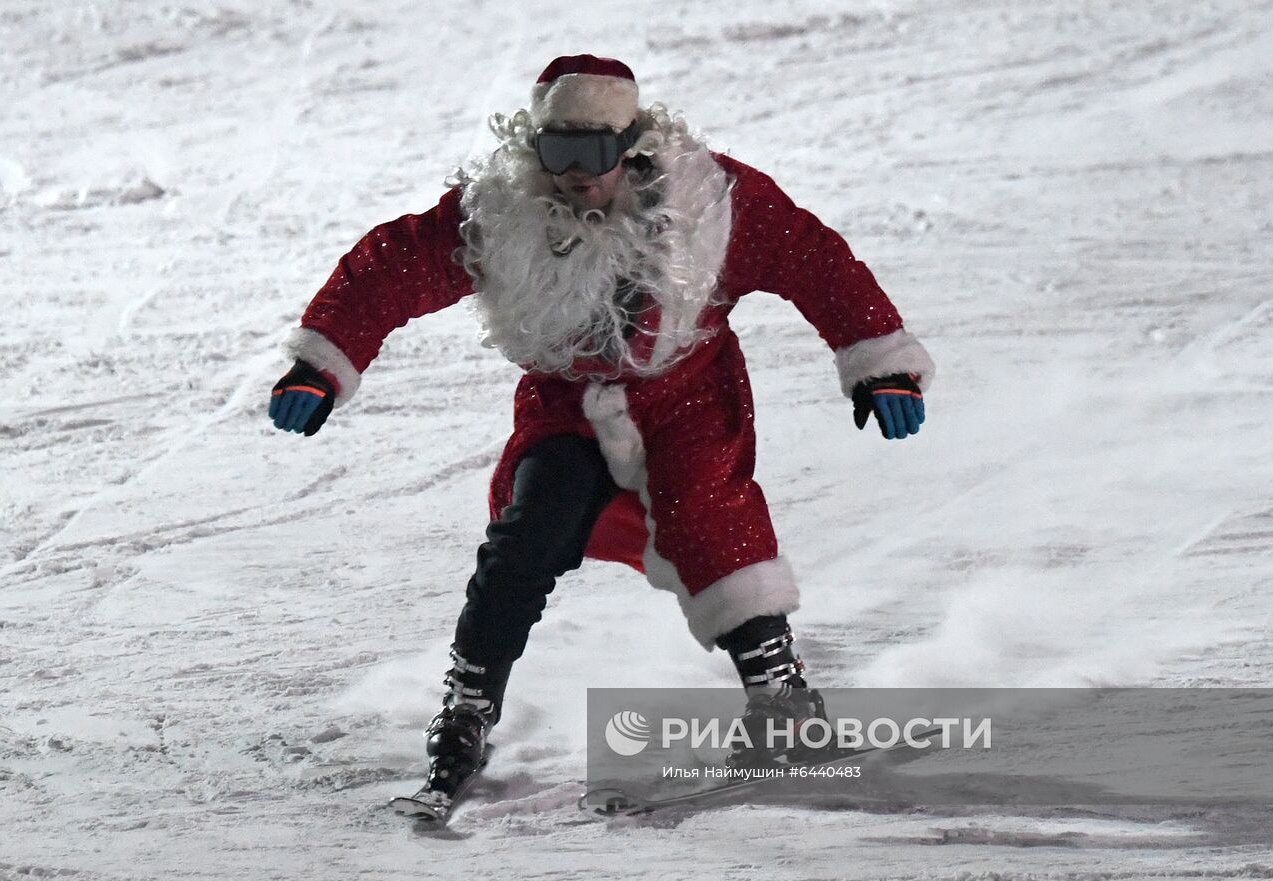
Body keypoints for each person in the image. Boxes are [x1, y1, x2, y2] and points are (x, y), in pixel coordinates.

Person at [268, 55, 934, 798]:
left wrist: (880, 361)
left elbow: (818, 262)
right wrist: (320, 363)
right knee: (527, 536)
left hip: (687, 398)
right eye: (558, 153)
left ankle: (784, 706)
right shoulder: (501, 211)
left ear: (632, 145)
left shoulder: (710, 203)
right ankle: (465, 711)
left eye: (594, 154)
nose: (576, 175)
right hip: (568, 406)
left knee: (711, 523)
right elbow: (390, 267)